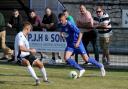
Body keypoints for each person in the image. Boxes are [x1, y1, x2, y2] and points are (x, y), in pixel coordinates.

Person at [58, 13, 106, 78]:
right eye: (60, 20)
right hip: (70, 45)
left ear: (65, 18)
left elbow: (80, 32)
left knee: (86, 59)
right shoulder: (61, 25)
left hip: (77, 44)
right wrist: (61, 34)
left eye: (62, 20)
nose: (61, 21)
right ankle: (81, 69)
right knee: (66, 58)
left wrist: (78, 43)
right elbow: (62, 30)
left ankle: (100, 65)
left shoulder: (70, 24)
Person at [14, 21, 49, 85]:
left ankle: (45, 79)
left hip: (27, 55)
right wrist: (30, 51)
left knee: (40, 64)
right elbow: (21, 48)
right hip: (20, 56)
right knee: (27, 62)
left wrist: (31, 49)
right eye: (30, 29)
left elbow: (25, 48)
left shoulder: (25, 36)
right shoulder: (20, 35)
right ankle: (37, 79)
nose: (30, 31)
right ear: (27, 28)